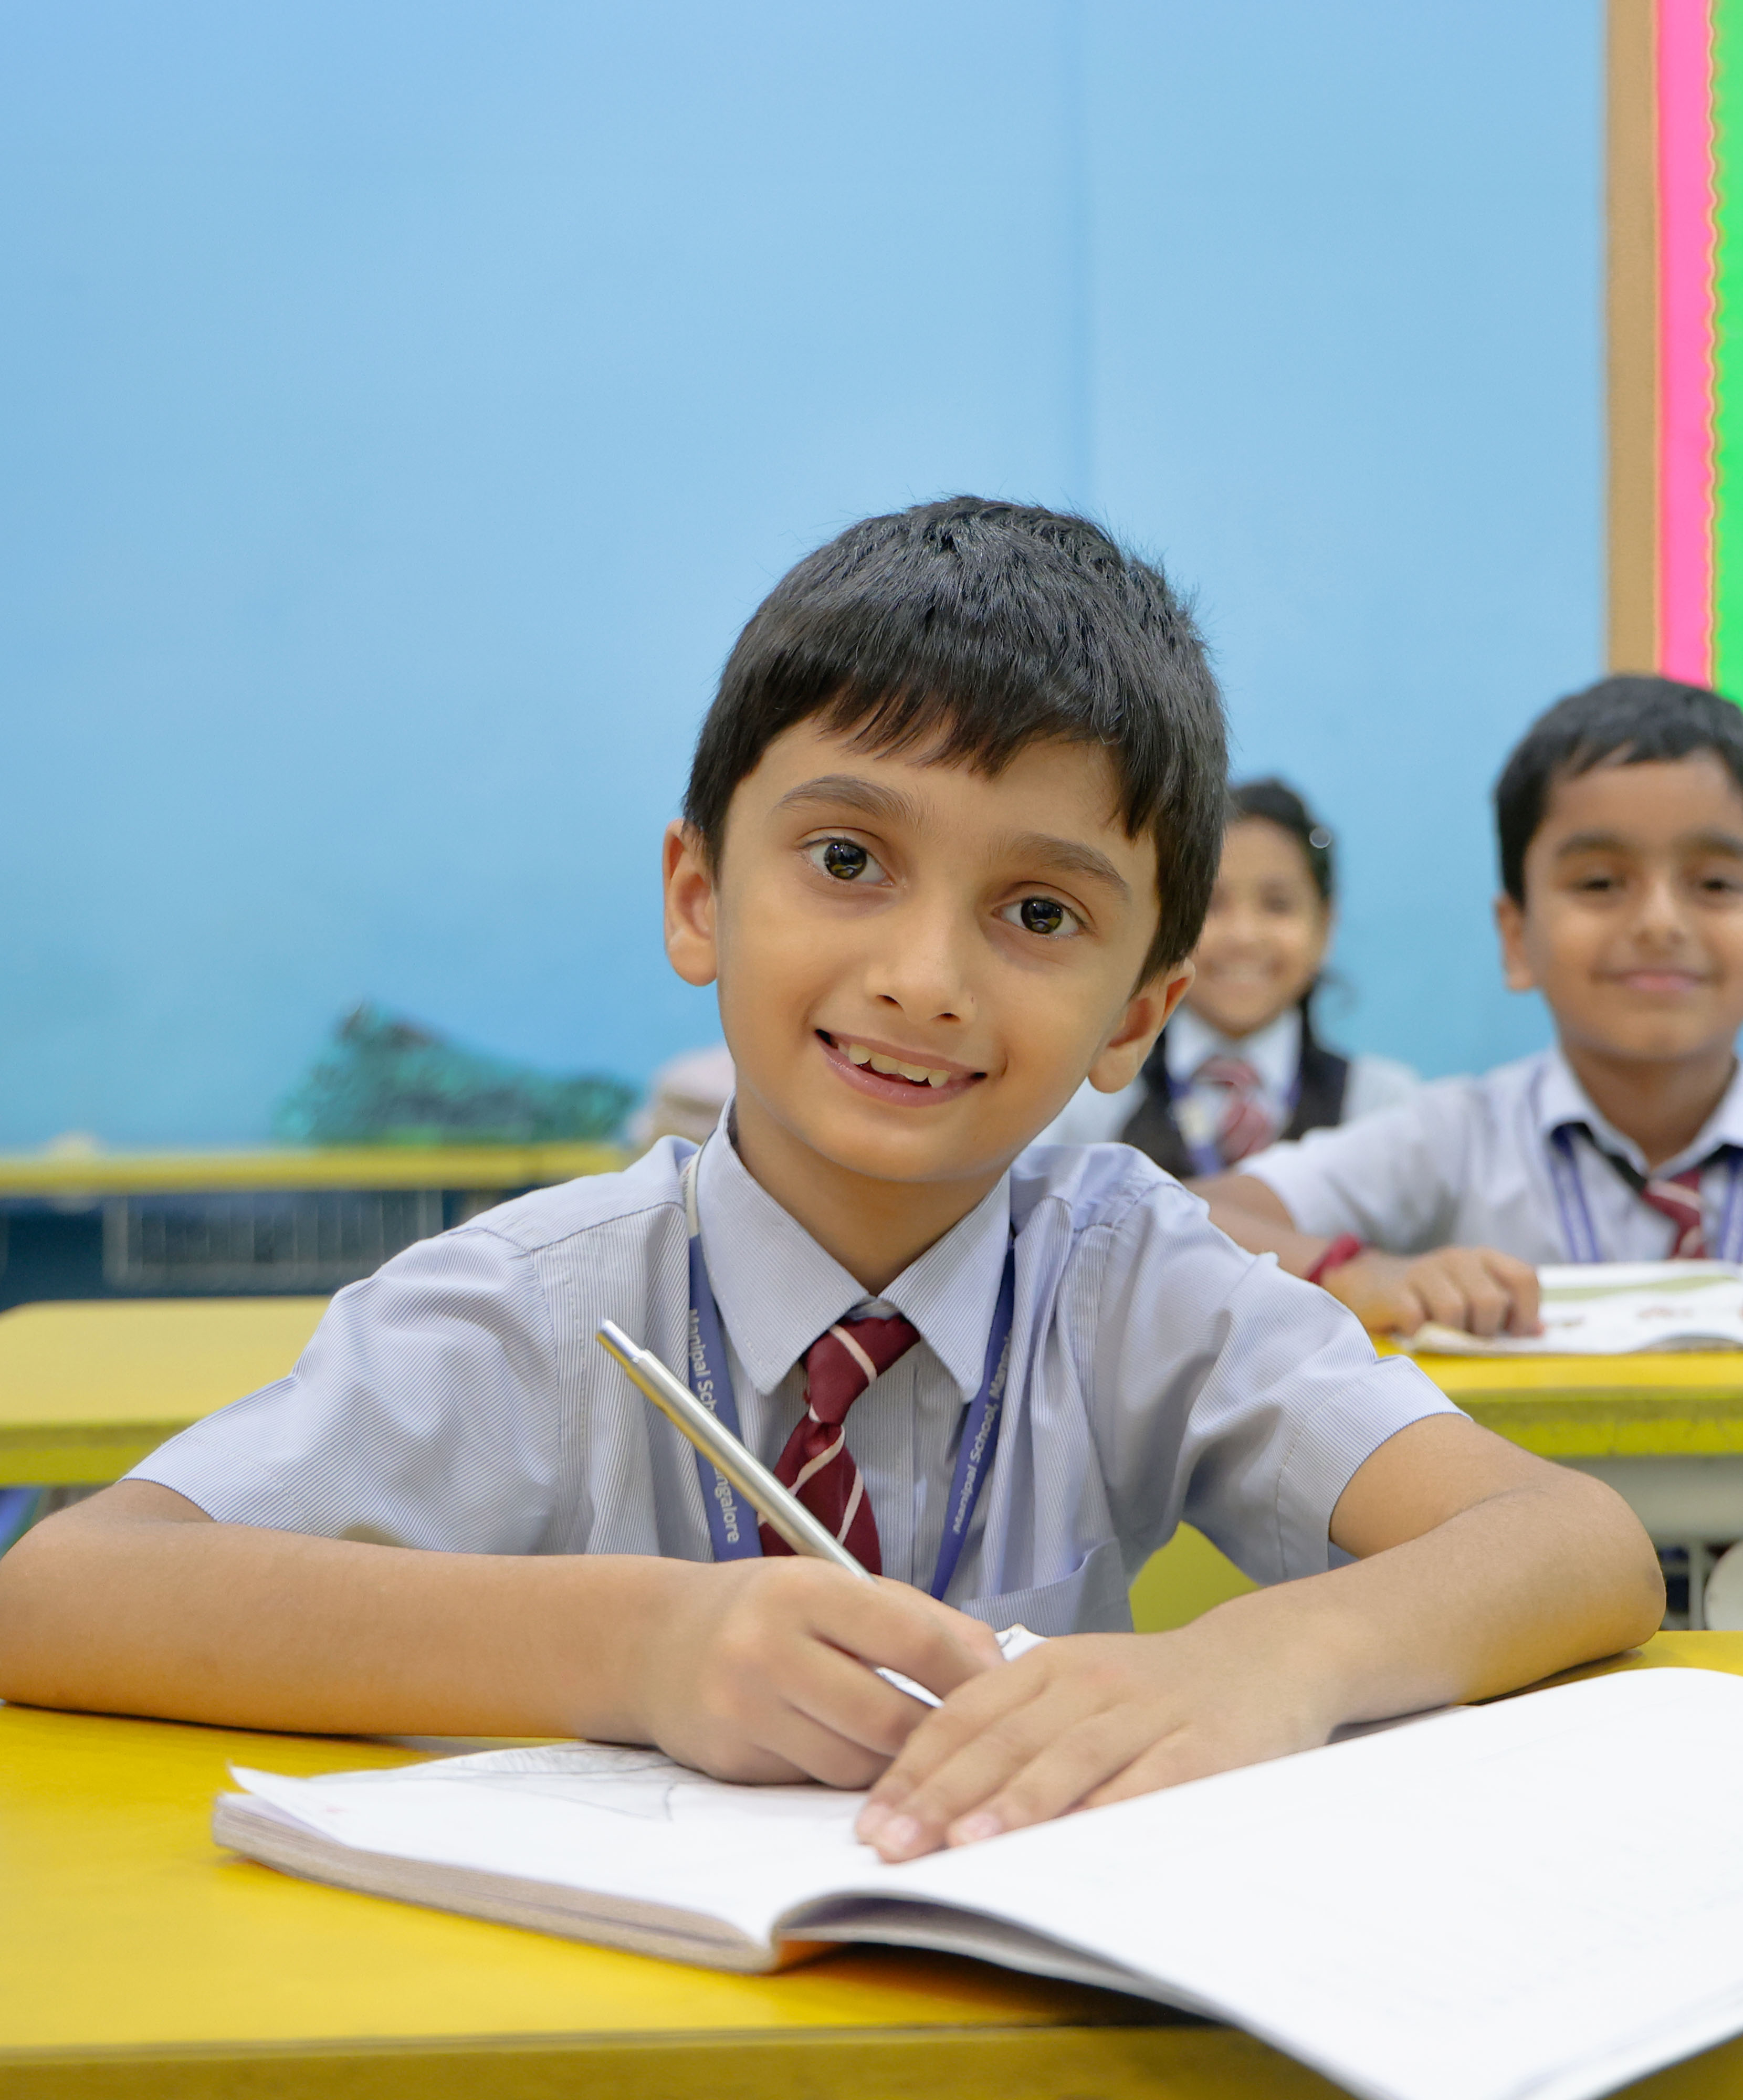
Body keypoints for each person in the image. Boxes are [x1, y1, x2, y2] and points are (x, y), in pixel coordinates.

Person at [0, 502, 1659, 1866]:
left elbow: (1570, 1538)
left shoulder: (1133, 1278)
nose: (924, 977)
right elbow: (62, 1592)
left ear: (1135, 1017)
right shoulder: (539, 1301)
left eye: (1038, 914)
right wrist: (637, 1648)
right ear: (698, 896)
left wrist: (1263, 1663)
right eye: (848, 859)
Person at [1194, 675, 1743, 1343]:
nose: (1660, 923)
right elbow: (1190, 1214)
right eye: (1600, 882)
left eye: (1716, 884)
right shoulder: (1452, 1141)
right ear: (1515, 937)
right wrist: (1350, 1272)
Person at [1040, 777, 1418, 1168]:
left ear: (1325, 927)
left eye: (1278, 904)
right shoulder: (1088, 1101)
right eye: (1212, 904)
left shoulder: (1380, 1108)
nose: (1243, 936)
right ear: (1164, 924)